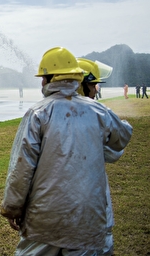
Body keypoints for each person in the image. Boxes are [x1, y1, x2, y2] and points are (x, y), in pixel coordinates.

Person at [1, 47, 132, 255]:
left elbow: (22, 167)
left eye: (43, 77)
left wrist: (12, 207)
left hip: (44, 218)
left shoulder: (38, 113)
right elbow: (122, 138)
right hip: (87, 218)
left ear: (51, 78)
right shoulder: (99, 112)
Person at [77, 58, 123, 255]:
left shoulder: (50, 114)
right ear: (81, 85)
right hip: (89, 201)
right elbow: (114, 152)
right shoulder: (94, 116)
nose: (96, 90)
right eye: (93, 85)